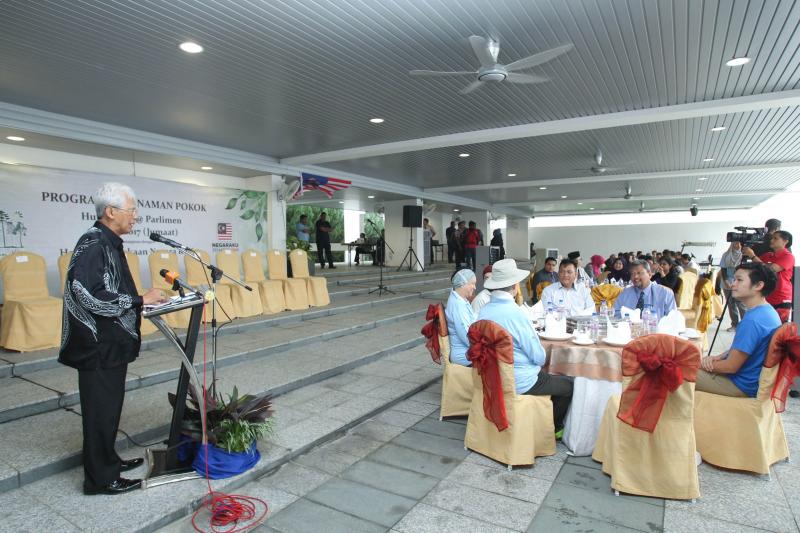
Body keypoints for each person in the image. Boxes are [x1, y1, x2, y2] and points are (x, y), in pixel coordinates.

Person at [59, 182, 167, 495]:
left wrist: (140, 301)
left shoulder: (108, 241)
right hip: (97, 347)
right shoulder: (93, 244)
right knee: (99, 414)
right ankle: (100, 480)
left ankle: (108, 461)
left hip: (111, 345)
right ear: (110, 212)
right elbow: (87, 295)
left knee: (109, 410)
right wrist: (139, 300)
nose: (136, 216)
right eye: (131, 210)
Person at [478, 259, 574, 432]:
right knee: (569, 385)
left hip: (490, 376)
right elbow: (539, 357)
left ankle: (536, 420)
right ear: (515, 286)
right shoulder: (516, 314)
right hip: (519, 380)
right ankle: (550, 430)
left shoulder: (483, 311)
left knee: (551, 378)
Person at [696, 263, 781, 397]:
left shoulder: (752, 321)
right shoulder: (767, 311)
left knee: (679, 371)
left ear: (758, 285)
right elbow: (744, 349)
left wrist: (701, 364)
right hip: (752, 380)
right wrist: (717, 357)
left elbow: (731, 367)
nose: (732, 284)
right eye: (734, 279)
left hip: (741, 385)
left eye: (739, 280)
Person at [744, 230, 795, 323]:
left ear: (785, 241)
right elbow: (753, 267)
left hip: (781, 298)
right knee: (765, 325)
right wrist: (743, 252)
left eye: (775, 238)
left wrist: (752, 256)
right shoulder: (768, 255)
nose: (772, 240)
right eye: (772, 238)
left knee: (779, 328)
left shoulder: (788, 256)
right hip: (767, 297)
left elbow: (771, 270)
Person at [445, 269, 477, 366]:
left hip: (465, 350)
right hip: (464, 354)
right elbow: (466, 337)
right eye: (472, 284)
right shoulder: (458, 305)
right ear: (463, 284)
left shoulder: (459, 299)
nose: (475, 287)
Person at [719, 241, 746, 330]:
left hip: (740, 283)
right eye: (735, 243)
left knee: (741, 304)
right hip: (727, 282)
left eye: (739, 243)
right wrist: (726, 281)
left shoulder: (744, 255)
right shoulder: (726, 255)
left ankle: (745, 325)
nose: (737, 245)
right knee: (731, 304)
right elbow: (723, 269)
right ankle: (735, 324)